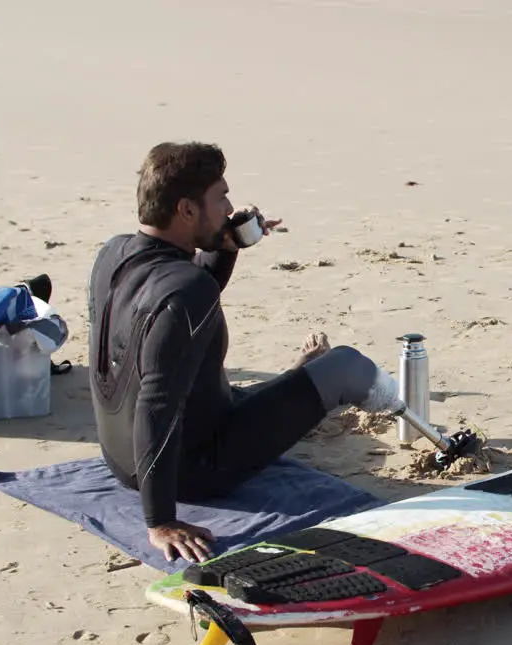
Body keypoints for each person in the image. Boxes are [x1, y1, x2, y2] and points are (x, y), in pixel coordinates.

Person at [87, 141, 401, 564]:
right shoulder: (187, 289)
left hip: (119, 456)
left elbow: (177, 309)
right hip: (191, 471)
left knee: (240, 388)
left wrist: (225, 245)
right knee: (344, 367)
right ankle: (409, 415)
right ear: (186, 210)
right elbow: (156, 406)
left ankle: (294, 381)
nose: (230, 207)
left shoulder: (114, 251)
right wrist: (160, 521)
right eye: (220, 198)